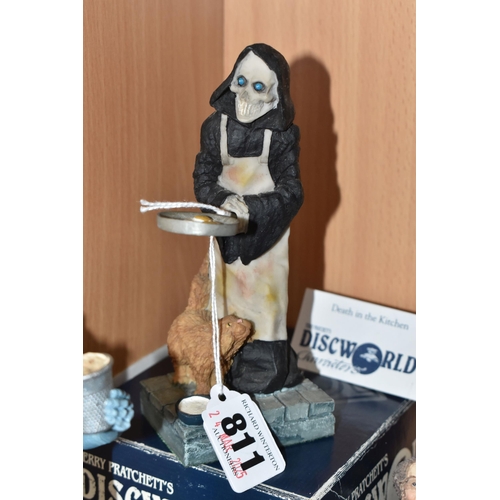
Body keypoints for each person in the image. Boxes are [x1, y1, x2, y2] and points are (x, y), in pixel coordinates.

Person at [193, 43, 304, 393]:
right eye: (241, 82)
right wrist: (222, 199)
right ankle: (225, 359)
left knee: (265, 300)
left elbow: (293, 190)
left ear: (275, 96)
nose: (245, 95)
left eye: (258, 87)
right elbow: (204, 175)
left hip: (267, 238)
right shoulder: (215, 128)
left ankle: (267, 362)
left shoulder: (282, 137)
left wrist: (253, 207)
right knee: (225, 295)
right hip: (225, 235)